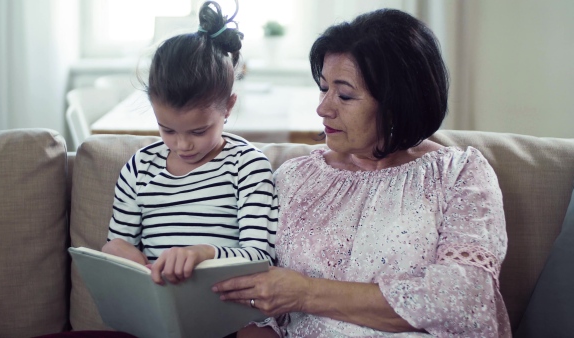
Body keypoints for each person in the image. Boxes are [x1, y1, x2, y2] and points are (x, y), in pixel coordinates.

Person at [213, 8, 511, 337]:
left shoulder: (459, 174)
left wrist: (306, 293)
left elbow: (464, 304)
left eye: (344, 95)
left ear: (399, 101)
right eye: (323, 88)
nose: (323, 108)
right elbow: (255, 306)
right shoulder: (294, 179)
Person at [102, 0, 277, 286]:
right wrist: (116, 252)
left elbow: (261, 257)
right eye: (167, 129)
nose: (182, 145)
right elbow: (118, 245)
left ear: (228, 107)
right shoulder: (139, 168)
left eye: (198, 131)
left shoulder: (247, 166)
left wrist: (203, 254)